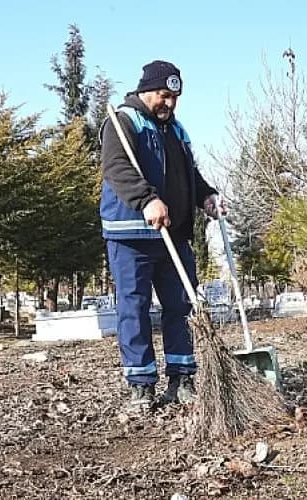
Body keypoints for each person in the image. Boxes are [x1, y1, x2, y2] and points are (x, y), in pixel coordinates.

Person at [99, 60, 223, 410]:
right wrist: (147, 199)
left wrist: (206, 196)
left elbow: (190, 175)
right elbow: (117, 168)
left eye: (175, 97)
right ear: (147, 90)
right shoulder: (124, 122)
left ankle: (182, 377)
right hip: (132, 234)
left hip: (174, 235)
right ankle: (141, 384)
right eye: (164, 95)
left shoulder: (176, 130)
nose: (169, 103)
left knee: (181, 306)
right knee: (134, 308)